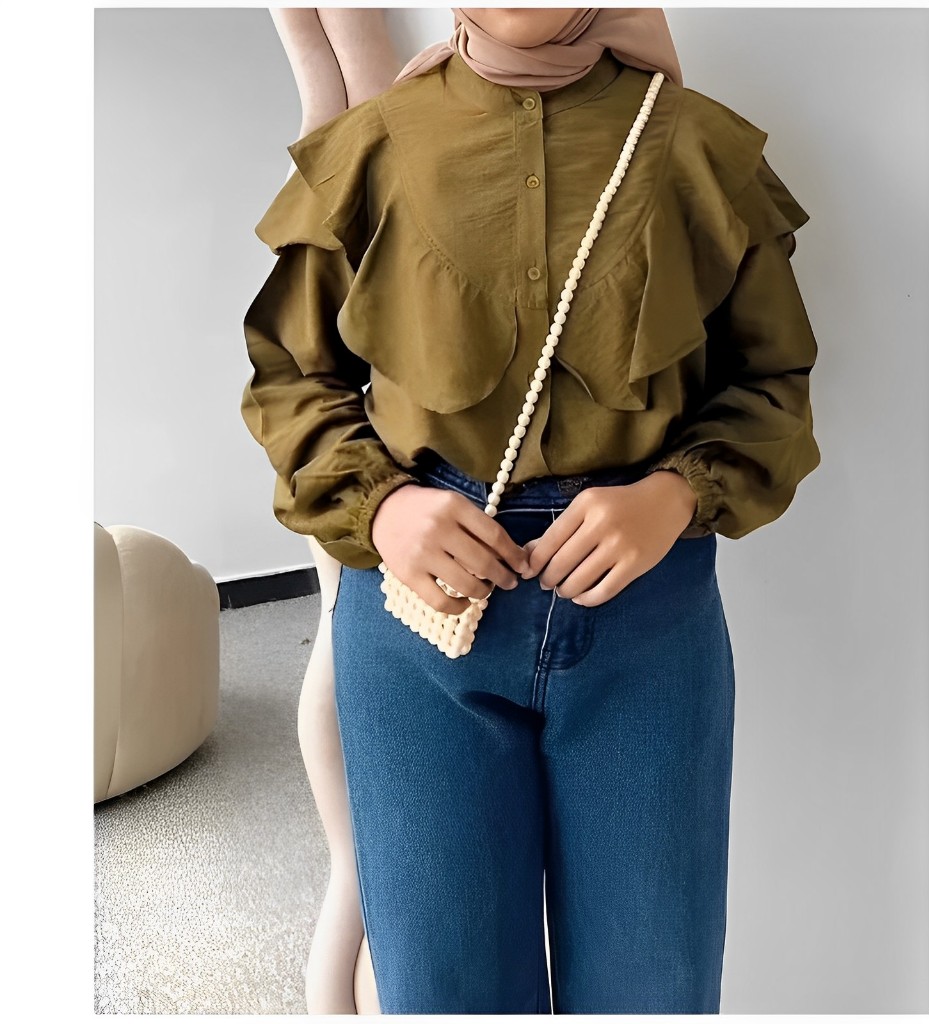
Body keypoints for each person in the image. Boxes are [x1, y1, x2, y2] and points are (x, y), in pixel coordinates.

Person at [241, 6, 821, 1014]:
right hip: (422, 628)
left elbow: (773, 381)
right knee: (443, 983)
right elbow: (291, 374)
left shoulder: (697, 149)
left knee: (655, 981)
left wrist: (676, 493)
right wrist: (383, 509)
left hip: (648, 624)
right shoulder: (371, 148)